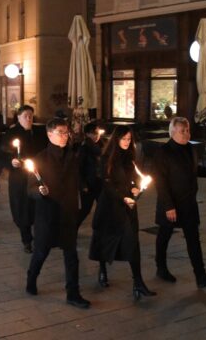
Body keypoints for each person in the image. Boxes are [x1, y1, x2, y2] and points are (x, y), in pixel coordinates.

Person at [26, 118, 90, 309]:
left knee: (71, 255)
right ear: (49, 134)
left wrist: (84, 187)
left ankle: (73, 293)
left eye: (66, 132)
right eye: (60, 132)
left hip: (68, 213)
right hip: (48, 215)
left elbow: (78, 178)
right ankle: (31, 279)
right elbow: (29, 189)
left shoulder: (72, 155)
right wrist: (40, 191)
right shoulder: (40, 159)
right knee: (41, 252)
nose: (65, 136)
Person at [154, 117, 206, 288]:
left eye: (187, 130)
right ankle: (161, 268)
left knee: (193, 239)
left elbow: (194, 169)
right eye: (182, 131)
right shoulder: (164, 152)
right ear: (172, 132)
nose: (186, 133)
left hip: (189, 203)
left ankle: (201, 275)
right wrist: (168, 206)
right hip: (171, 203)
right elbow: (160, 182)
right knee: (164, 235)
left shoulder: (190, 149)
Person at [88, 126, 156, 301]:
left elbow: (133, 178)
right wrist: (123, 197)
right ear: (116, 139)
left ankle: (138, 283)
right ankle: (102, 270)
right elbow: (107, 184)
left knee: (132, 242)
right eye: (124, 139)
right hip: (110, 206)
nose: (127, 142)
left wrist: (134, 187)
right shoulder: (106, 158)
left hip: (127, 207)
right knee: (105, 239)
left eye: (129, 139)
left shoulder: (130, 157)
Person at [0, 105, 47, 254]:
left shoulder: (39, 132)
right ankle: (26, 239)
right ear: (18, 117)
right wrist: (11, 162)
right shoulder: (11, 133)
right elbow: (2, 155)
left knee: (39, 206)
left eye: (31, 116)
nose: (29, 118)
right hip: (20, 178)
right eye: (26, 116)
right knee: (23, 208)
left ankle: (41, 236)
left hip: (37, 175)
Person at [77, 122, 105, 227]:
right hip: (88, 184)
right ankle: (72, 229)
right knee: (85, 209)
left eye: (98, 133)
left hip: (100, 182)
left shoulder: (101, 145)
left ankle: (101, 228)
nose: (97, 135)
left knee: (103, 207)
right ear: (88, 134)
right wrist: (82, 184)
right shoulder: (84, 148)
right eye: (95, 133)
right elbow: (79, 168)